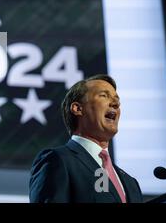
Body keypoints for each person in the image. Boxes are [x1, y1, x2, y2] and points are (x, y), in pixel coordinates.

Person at [29, 74, 143, 203]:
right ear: (77, 108)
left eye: (117, 100)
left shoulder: (130, 183)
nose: (116, 103)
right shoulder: (57, 160)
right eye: (104, 96)